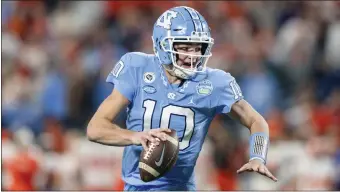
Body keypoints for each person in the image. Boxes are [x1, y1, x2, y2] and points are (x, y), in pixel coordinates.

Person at [87, 6, 278, 191]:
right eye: (185, 47)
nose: (192, 56)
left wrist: (257, 157)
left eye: (198, 48)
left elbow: (256, 120)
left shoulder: (214, 82)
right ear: (163, 45)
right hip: (134, 186)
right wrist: (135, 137)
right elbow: (95, 129)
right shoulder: (137, 67)